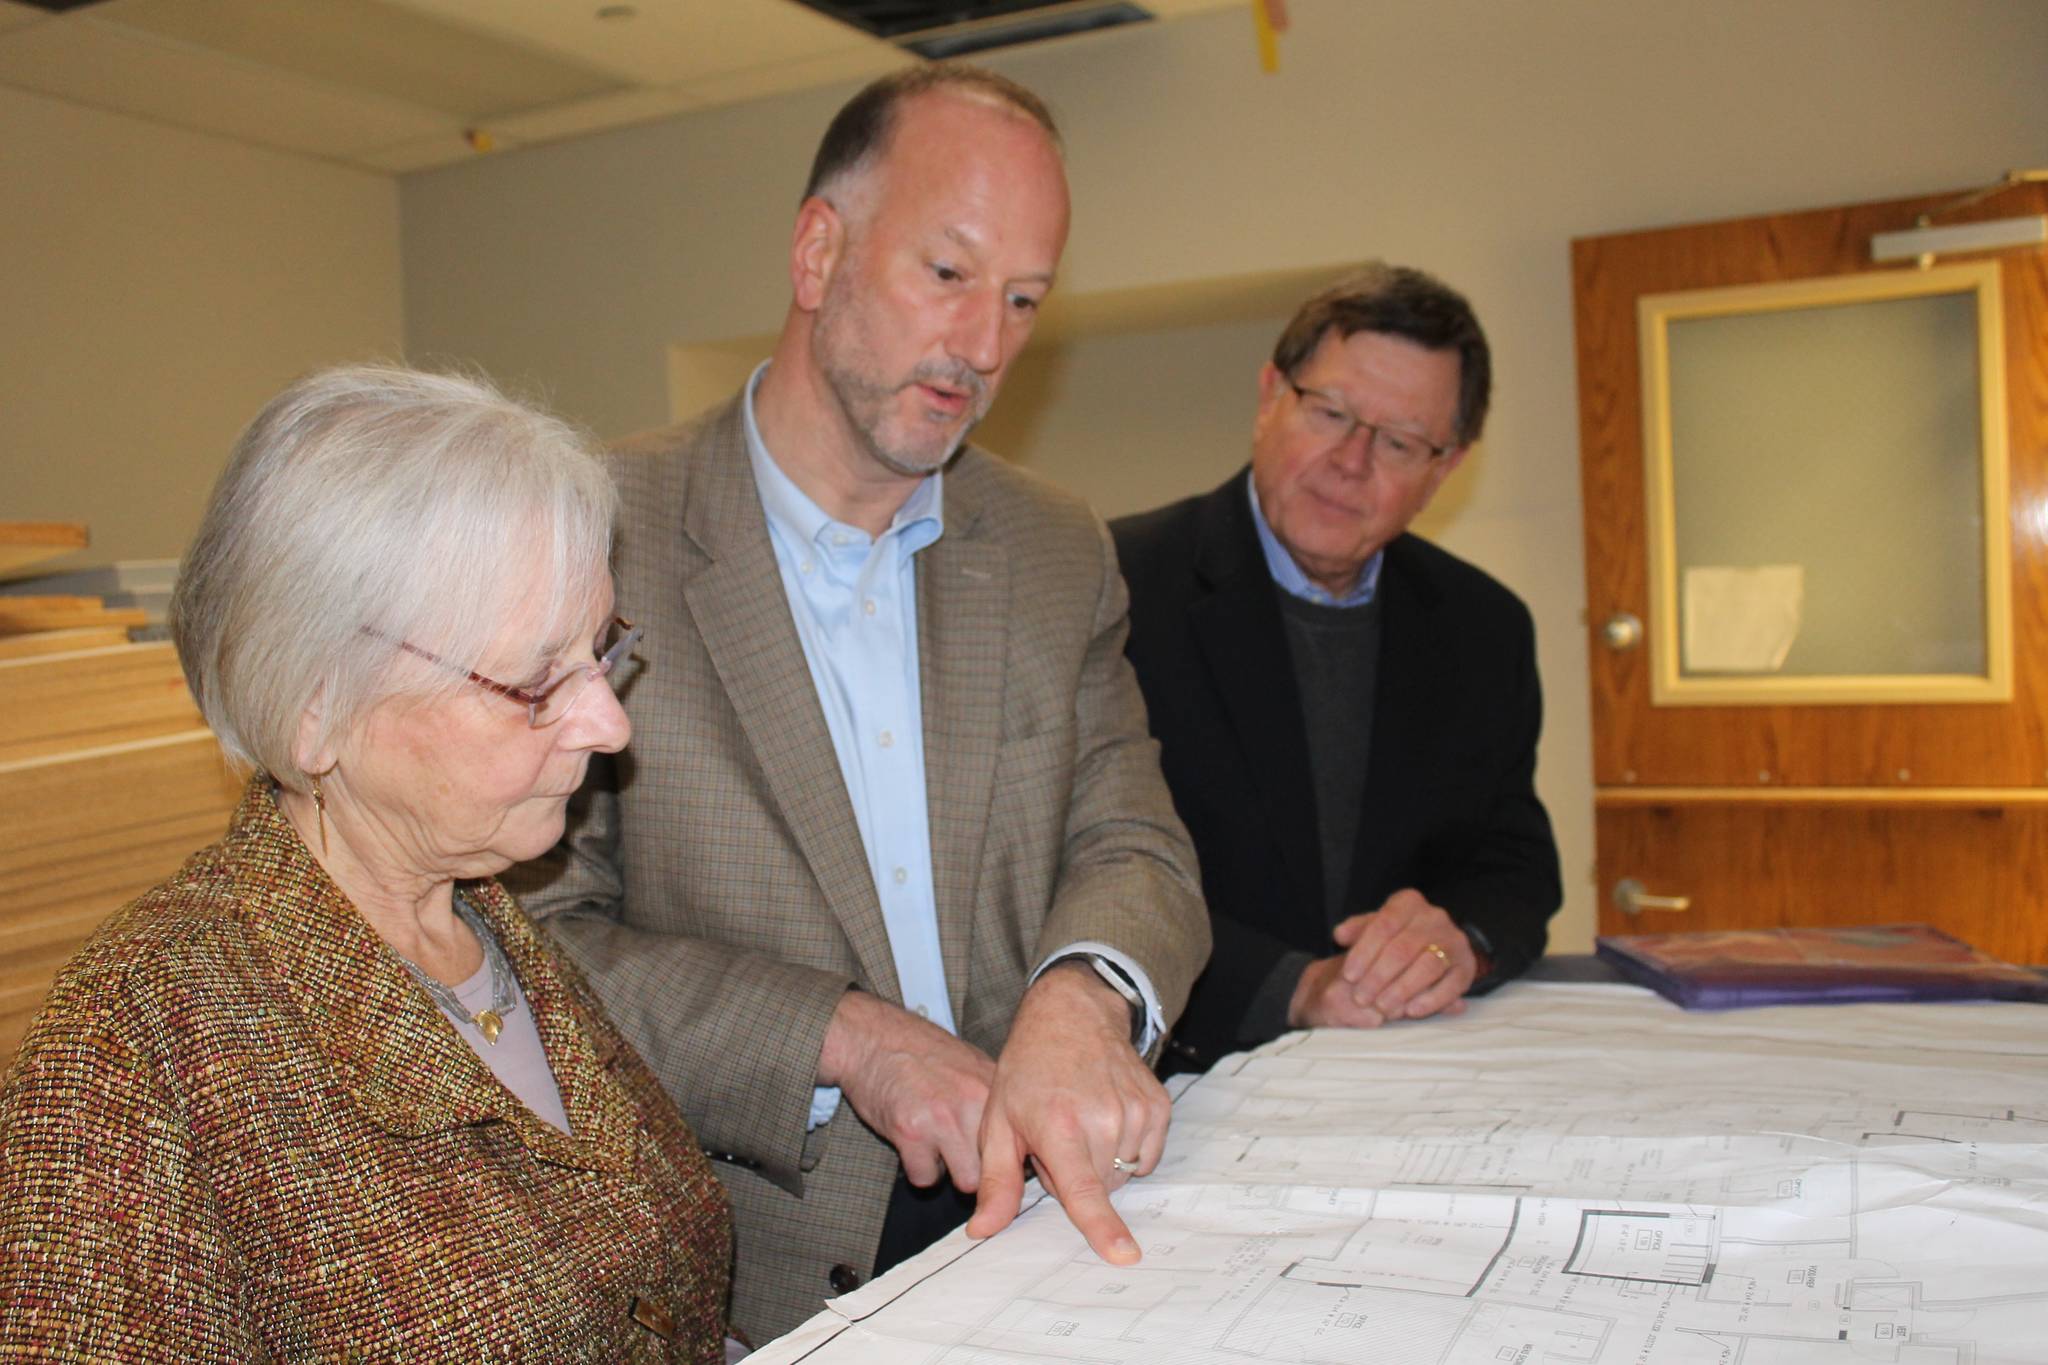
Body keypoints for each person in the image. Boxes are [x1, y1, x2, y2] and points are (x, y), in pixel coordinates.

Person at [511, 64, 1208, 1341]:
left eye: (1021, 300)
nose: (984, 348)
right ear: (818, 249)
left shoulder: (1054, 546)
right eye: (947, 276)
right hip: (744, 1264)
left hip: (1049, 1230)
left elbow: (1136, 844)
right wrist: (851, 1042)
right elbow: (532, 945)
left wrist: (1078, 998)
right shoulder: (601, 532)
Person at [0, 367, 732, 1361]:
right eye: (534, 680)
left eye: (600, 652)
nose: (608, 723)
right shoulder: (134, 1045)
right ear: (315, 709)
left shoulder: (487, 924)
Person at [1112, 266, 1562, 1076]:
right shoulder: (1115, 586)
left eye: (1397, 442)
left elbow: (1515, 863)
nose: (1352, 461)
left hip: (1407, 1074)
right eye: (1331, 413)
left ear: (1445, 467)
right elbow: (1072, 865)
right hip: (1175, 1082)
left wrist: (1461, 937)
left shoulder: (1485, 627)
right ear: (1268, 397)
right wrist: (1290, 985)